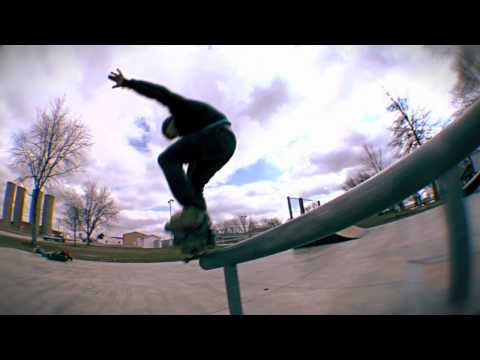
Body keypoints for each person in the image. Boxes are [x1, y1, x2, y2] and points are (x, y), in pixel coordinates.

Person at [108, 69, 236, 236]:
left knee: (167, 158)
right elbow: (190, 165)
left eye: (171, 134)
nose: (173, 137)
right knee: (194, 184)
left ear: (172, 123)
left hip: (217, 134)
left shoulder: (181, 110)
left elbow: (161, 93)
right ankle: (202, 232)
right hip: (225, 146)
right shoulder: (193, 133)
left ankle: (192, 212)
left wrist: (127, 83)